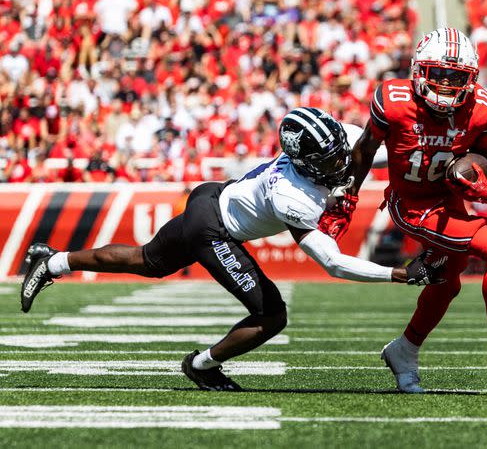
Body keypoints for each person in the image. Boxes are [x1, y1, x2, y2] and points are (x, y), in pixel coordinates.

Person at [20, 107, 446, 392]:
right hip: (216, 228)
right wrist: (401, 274)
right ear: (302, 161)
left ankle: (53, 260)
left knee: (147, 261)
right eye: (329, 161)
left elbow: (395, 149)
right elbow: (332, 262)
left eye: (341, 154)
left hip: (213, 197)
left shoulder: (342, 142)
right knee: (272, 315)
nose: (341, 165)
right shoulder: (293, 196)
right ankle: (202, 366)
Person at [318, 28, 487, 393]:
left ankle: (404, 350)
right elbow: (364, 149)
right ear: (418, 70)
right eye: (438, 74)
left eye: (456, 77)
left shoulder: (479, 110)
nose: (445, 85)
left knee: (446, 281)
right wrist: (347, 198)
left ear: (470, 79)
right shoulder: (394, 100)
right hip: (410, 204)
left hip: (448, 203)